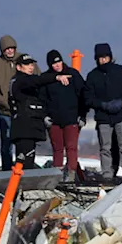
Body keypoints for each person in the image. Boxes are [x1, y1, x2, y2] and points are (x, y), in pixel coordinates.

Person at [0, 35, 38, 171]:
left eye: (12, 48)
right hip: (6, 112)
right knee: (7, 144)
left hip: (25, 111)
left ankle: (25, 170)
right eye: (7, 49)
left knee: (25, 142)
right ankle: (7, 172)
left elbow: (38, 79)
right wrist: (3, 101)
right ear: (2, 50)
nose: (9, 51)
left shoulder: (26, 60)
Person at [83, 43, 122, 184]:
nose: (103, 60)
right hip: (103, 118)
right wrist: (101, 105)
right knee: (105, 148)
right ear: (96, 59)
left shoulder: (121, 71)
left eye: (105, 57)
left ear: (110, 57)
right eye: (100, 57)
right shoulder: (92, 76)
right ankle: (107, 174)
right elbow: (88, 97)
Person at [8, 53, 73, 168]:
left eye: (32, 64)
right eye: (27, 64)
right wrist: (56, 77)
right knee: (24, 161)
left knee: (28, 159)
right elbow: (36, 80)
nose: (31, 67)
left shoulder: (26, 81)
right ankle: (21, 183)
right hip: (23, 129)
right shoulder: (20, 81)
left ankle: (25, 182)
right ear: (19, 67)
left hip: (30, 127)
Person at [42, 49, 86, 181]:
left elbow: (83, 95)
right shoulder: (47, 78)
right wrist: (44, 116)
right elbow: (42, 98)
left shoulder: (73, 75)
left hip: (72, 118)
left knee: (71, 148)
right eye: (54, 63)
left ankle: (71, 175)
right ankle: (58, 176)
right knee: (57, 149)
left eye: (59, 62)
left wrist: (82, 115)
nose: (57, 65)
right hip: (54, 120)